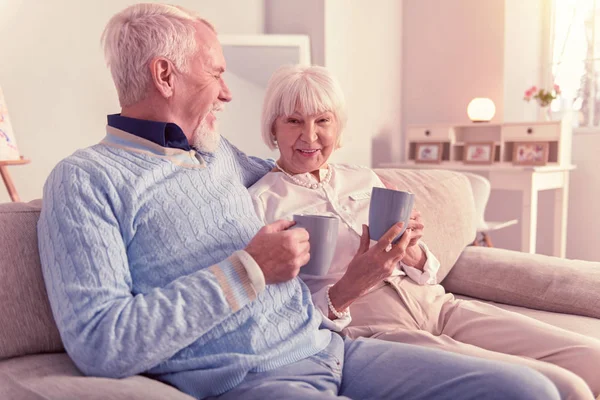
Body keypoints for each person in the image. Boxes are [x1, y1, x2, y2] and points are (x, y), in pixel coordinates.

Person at [36, 4, 561, 400]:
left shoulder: (216, 154)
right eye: (216, 72)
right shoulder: (85, 180)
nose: (227, 93)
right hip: (253, 379)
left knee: (530, 391)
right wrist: (247, 270)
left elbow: (296, 168)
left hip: (333, 347)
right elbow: (102, 344)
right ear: (165, 75)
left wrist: (367, 211)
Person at [249, 64, 600, 400]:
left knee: (593, 359)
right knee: (564, 388)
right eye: (294, 121)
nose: (310, 135)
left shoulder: (363, 178)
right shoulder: (262, 202)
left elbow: (425, 271)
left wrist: (412, 249)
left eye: (322, 120)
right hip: (376, 326)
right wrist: (348, 287)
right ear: (273, 128)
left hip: (436, 304)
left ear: (337, 127)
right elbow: (272, 313)